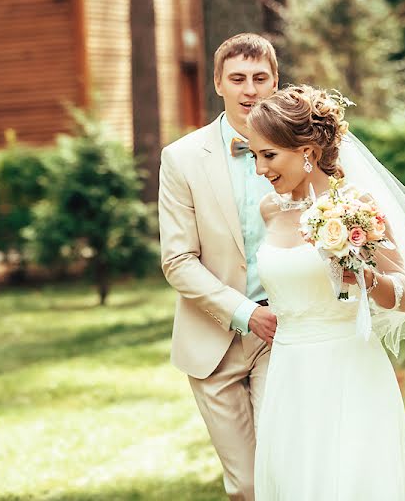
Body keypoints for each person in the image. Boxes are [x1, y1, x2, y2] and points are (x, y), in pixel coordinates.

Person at [246, 84, 405, 500]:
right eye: (255, 156)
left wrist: (365, 278)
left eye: (269, 155)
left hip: (346, 367)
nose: (260, 169)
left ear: (309, 152)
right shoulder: (269, 209)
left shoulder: (355, 204)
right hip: (289, 370)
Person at [158, 33, 279, 500]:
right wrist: (245, 313)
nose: (249, 90)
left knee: (283, 463)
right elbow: (177, 259)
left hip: (283, 333)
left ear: (275, 82)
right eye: (238, 79)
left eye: (259, 78)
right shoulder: (182, 158)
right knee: (246, 484)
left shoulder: (299, 149)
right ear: (217, 83)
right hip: (214, 341)